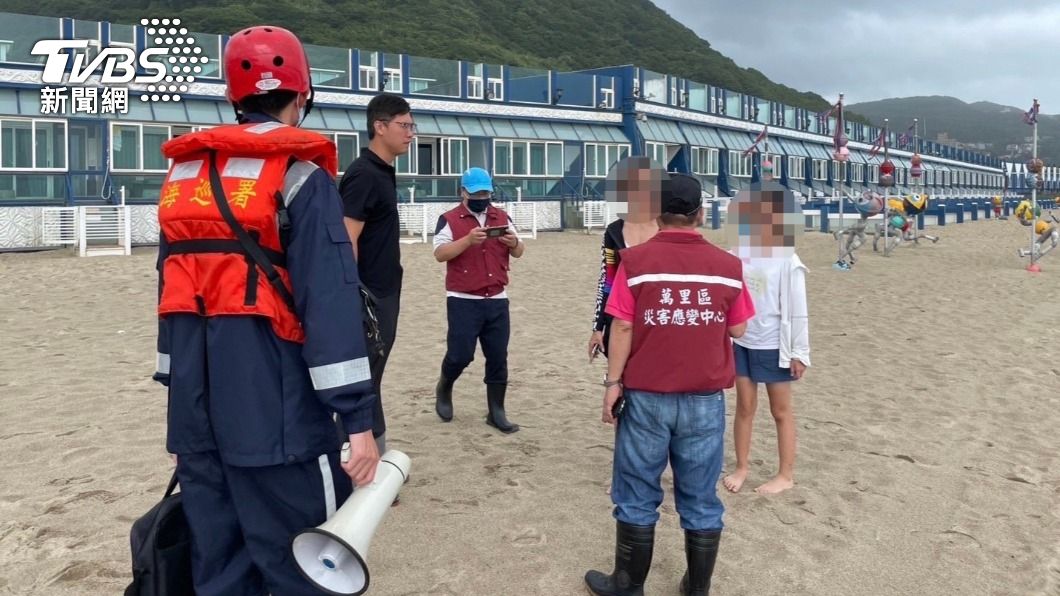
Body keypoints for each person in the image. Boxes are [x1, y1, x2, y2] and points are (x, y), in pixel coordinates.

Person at [152, 25, 380, 595]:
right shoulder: (301, 177)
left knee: (220, 568)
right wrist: (357, 421)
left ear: (233, 95)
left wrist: (181, 391)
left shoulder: (186, 178)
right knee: (304, 567)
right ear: (301, 95)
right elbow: (328, 304)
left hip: (196, 417)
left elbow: (170, 295)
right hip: (279, 421)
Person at [584, 173, 755, 596]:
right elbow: (740, 330)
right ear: (700, 213)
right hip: (704, 398)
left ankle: (628, 583)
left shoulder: (636, 262)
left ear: (658, 214)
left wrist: (612, 383)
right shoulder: (728, 266)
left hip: (645, 394)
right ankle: (697, 588)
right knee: (700, 497)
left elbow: (621, 327)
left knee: (637, 488)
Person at [721, 185, 811, 495]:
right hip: (742, 341)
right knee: (744, 406)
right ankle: (742, 466)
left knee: (780, 410)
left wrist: (799, 353)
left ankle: (785, 474)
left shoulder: (788, 260)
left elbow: (799, 311)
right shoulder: (737, 255)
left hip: (774, 344)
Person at [339, 93, 415, 454]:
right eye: (404, 125)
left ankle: (368, 461)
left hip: (386, 292)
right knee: (365, 381)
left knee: (372, 378)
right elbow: (346, 238)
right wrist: (353, 297)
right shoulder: (363, 174)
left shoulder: (383, 171)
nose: (411, 133)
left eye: (412, 125)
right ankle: (365, 467)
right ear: (379, 127)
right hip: (368, 297)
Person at [432, 167, 525, 433]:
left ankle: (496, 411)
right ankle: (445, 385)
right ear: (463, 192)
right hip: (463, 299)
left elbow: (519, 251)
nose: (482, 198)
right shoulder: (448, 219)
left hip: (497, 298)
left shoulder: (501, 216)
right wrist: (467, 240)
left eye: (485, 192)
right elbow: (440, 254)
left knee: (498, 356)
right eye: (476, 193)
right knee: (460, 355)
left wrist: (512, 243)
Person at [588, 157, 662, 362]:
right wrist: (598, 327)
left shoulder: (666, 227)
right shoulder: (613, 232)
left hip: (659, 317)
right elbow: (607, 281)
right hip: (620, 317)